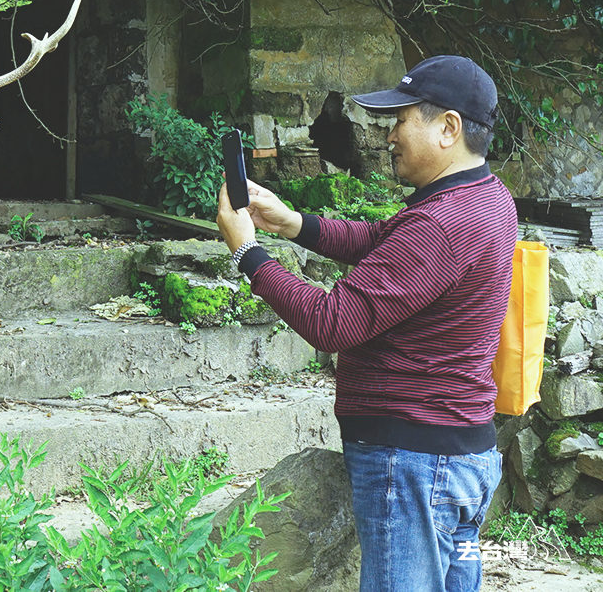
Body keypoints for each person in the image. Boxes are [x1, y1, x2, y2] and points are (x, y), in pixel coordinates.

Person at [216, 55, 517, 592]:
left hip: (417, 464)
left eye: (401, 119)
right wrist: (295, 224)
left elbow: (332, 322)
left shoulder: (441, 223)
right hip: (458, 456)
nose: (389, 134)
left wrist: (249, 254)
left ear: (448, 128)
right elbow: (387, 244)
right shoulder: (484, 198)